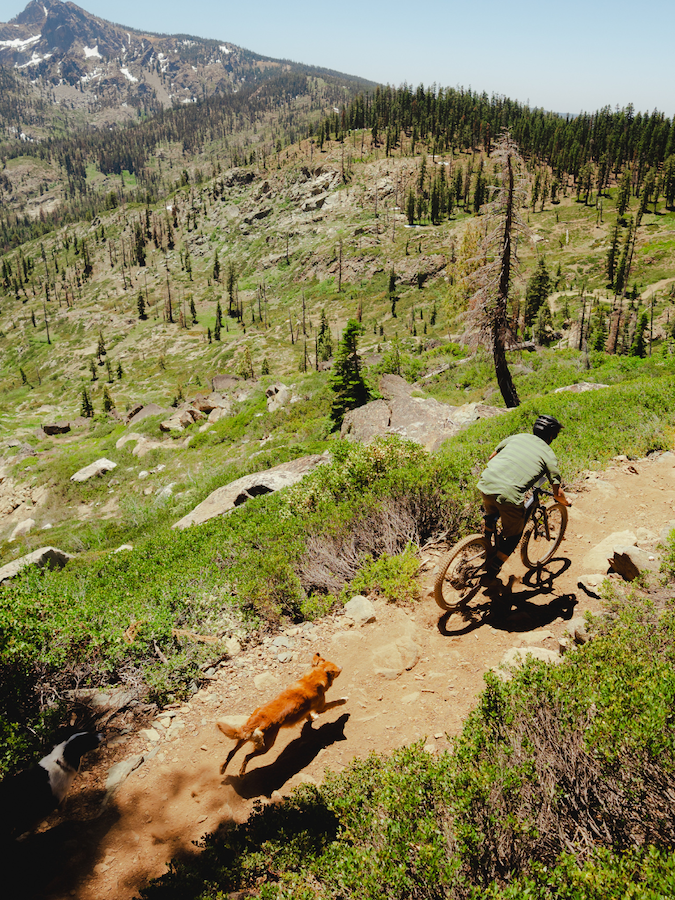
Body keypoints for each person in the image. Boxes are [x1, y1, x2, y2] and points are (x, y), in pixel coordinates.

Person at [476, 414, 569, 586]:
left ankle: (486, 543)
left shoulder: (517, 437)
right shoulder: (549, 455)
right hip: (509, 495)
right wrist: (565, 503)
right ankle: (493, 570)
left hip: (486, 483)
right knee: (514, 536)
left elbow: (492, 457)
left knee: (492, 512)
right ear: (552, 436)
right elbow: (557, 494)